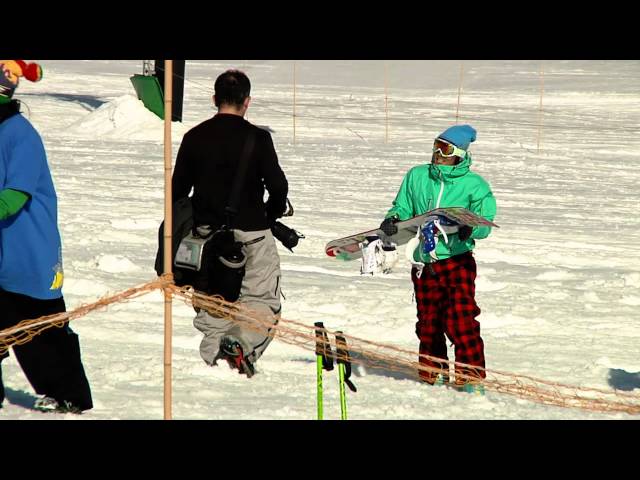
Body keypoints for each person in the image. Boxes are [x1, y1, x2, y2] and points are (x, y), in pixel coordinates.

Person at [172, 69, 288, 377]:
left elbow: (177, 194)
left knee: (213, 304)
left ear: (214, 99)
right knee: (261, 301)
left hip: (207, 238)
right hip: (253, 234)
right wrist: (271, 213)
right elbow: (278, 187)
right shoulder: (259, 139)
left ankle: (215, 365)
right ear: (247, 102)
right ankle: (239, 344)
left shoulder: (193, 137)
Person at [0, 60, 93, 412]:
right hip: (2, 255)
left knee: (44, 334)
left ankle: (70, 399)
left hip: (29, 254)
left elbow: (14, 196)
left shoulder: (19, 134)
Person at [379, 124, 497, 391]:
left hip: (457, 259)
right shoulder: (417, 176)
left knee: (460, 318)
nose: (437, 153)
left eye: (444, 148)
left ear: (458, 153)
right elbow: (403, 206)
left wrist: (472, 227)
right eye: (435, 145)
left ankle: (470, 376)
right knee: (429, 320)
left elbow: (485, 219)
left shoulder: (474, 185)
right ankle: (434, 372)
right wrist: (393, 220)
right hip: (424, 261)